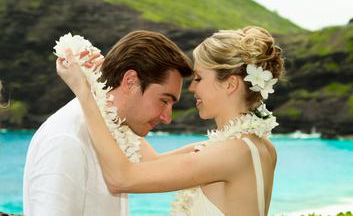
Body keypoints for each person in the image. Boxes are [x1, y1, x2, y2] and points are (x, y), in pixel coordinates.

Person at [57, 26, 284, 215]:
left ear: (230, 84)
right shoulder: (255, 147)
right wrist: (108, 85)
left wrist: (84, 91)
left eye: (198, 78)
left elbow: (122, 178)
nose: (193, 87)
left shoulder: (233, 152)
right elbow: (147, 162)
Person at [23, 30, 193, 215]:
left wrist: (223, 146)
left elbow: (157, 164)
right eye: (164, 101)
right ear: (130, 81)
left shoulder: (117, 126)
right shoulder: (66, 138)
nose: (167, 118)